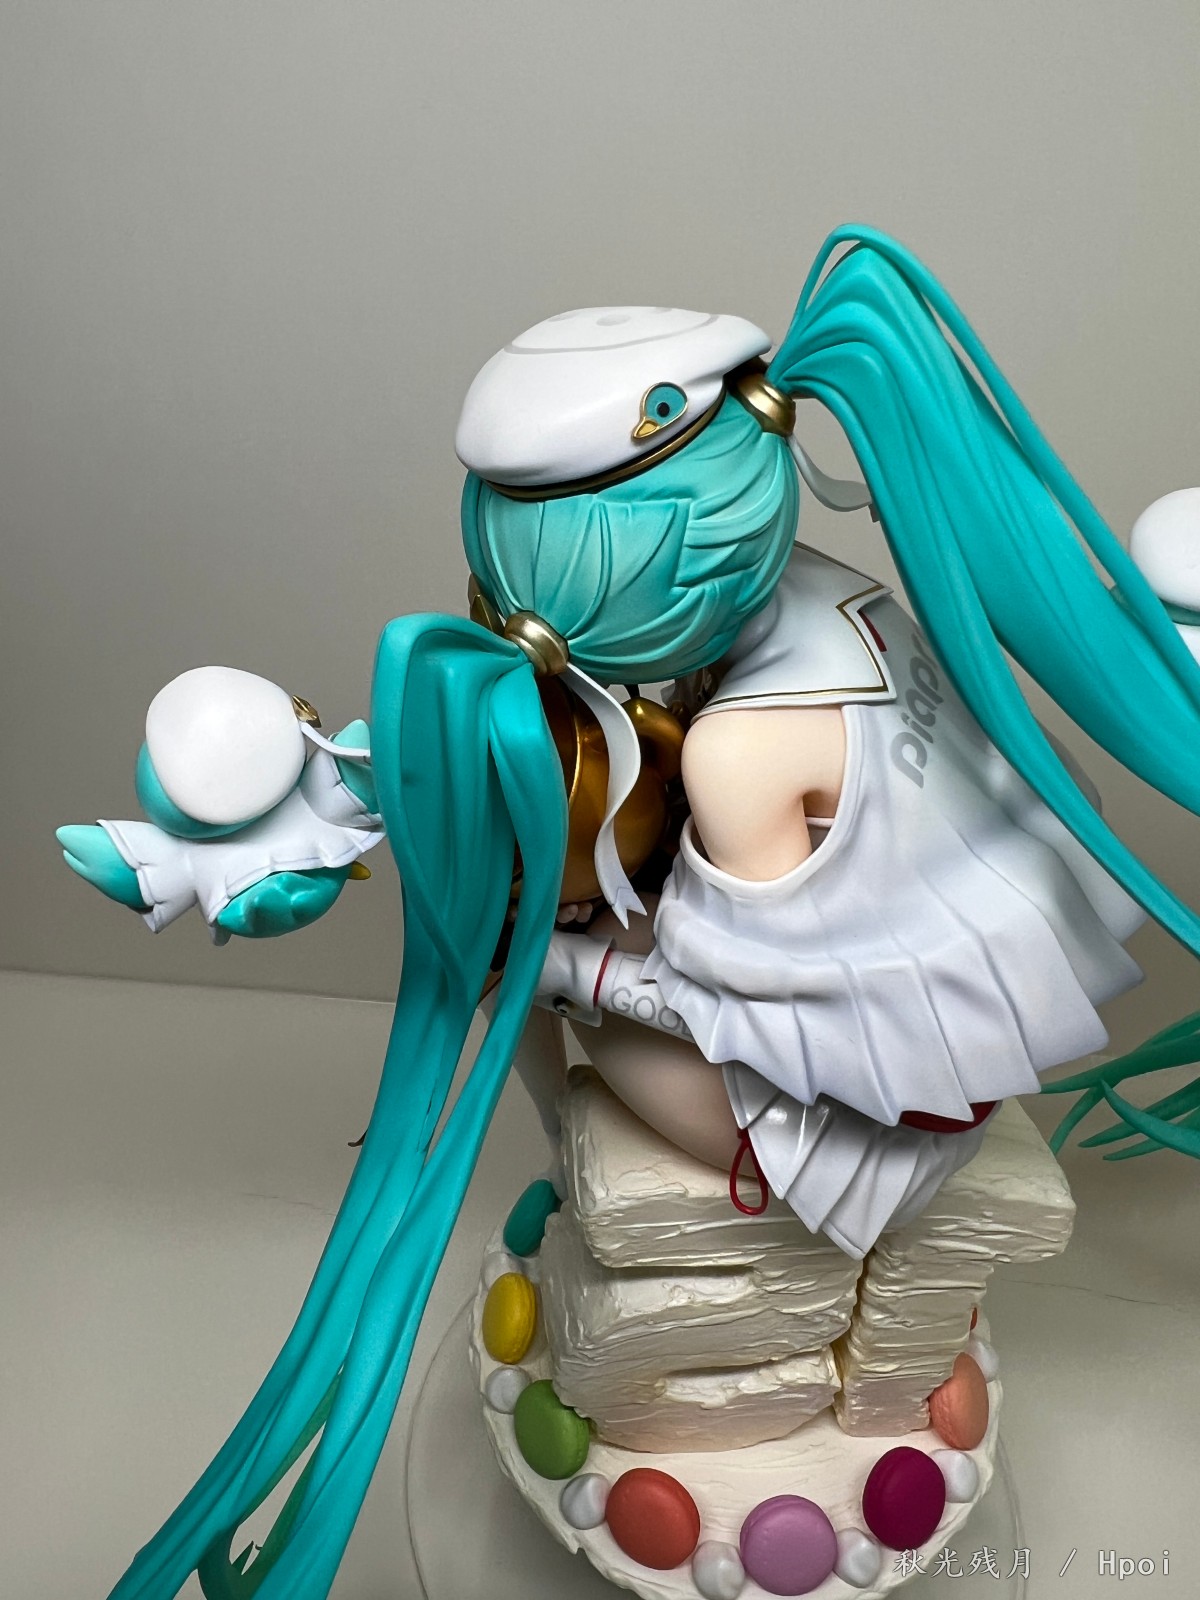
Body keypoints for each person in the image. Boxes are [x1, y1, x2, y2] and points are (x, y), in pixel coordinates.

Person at [60, 225, 1200, 1600]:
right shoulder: (833, 589)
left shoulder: (738, 758)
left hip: (873, 1097)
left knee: (503, 978)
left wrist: (556, 963)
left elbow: (743, 1012)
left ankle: (636, 1177)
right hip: (941, 984)